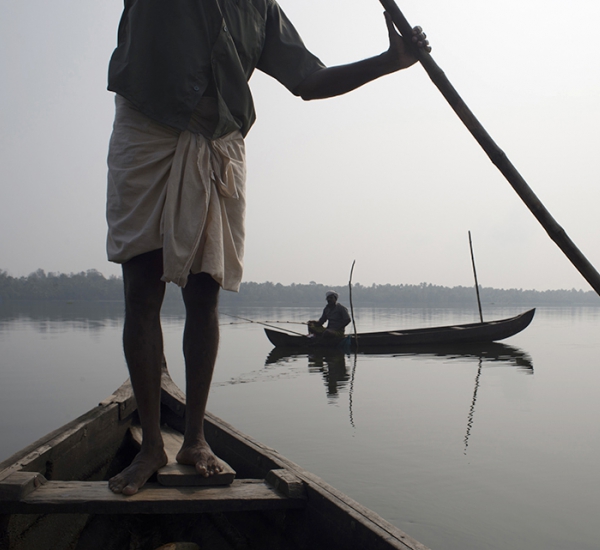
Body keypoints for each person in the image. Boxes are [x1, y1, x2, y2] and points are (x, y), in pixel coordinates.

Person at [105, 0, 429, 496]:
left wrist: (391, 61)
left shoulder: (260, 7)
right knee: (142, 292)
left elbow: (310, 80)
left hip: (220, 140)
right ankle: (152, 445)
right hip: (149, 125)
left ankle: (193, 440)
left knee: (204, 296)